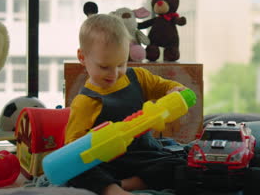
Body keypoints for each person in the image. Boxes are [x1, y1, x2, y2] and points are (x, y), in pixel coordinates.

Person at [64, 13, 187, 195]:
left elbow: (167, 86)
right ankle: (112, 189)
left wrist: (176, 90)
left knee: (180, 164)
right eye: (104, 67)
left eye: (121, 64)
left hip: (143, 156)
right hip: (108, 163)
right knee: (75, 171)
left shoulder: (137, 77)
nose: (114, 74)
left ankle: (128, 184)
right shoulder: (86, 102)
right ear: (82, 57)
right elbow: (72, 149)